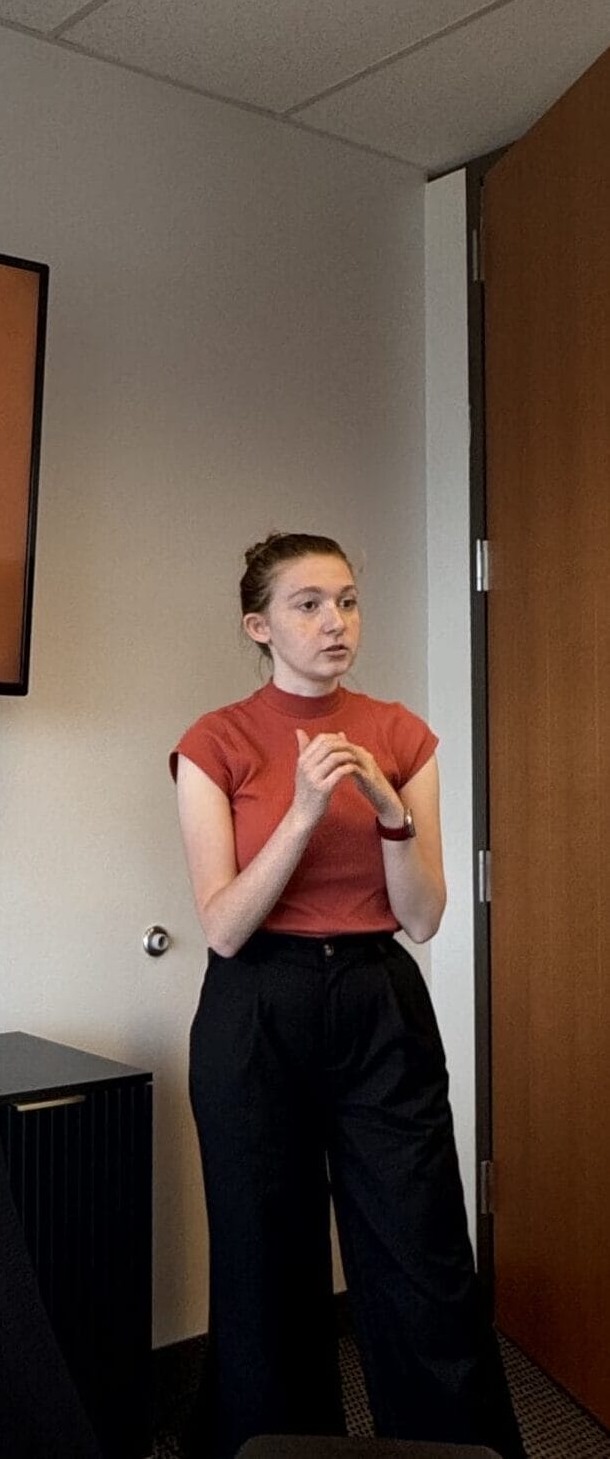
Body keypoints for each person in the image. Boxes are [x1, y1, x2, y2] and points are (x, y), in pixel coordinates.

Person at [171, 532, 523, 1459]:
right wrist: (303, 813)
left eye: (349, 601)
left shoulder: (401, 735)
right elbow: (224, 926)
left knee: (424, 1258)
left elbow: (425, 918)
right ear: (260, 626)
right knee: (266, 1269)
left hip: (379, 1001)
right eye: (309, 604)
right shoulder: (213, 743)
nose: (336, 622)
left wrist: (392, 812)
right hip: (257, 1006)